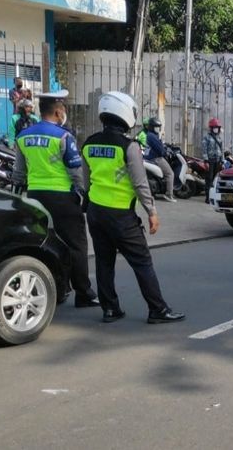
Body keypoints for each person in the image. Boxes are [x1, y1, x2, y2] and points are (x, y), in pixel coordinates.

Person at [82, 91, 184, 324]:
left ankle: (110, 309)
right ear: (125, 114)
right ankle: (157, 309)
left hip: (96, 213)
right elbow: (140, 183)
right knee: (142, 261)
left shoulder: (89, 143)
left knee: (103, 261)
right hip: (121, 216)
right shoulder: (129, 147)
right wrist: (152, 212)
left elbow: (86, 180)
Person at [12, 90, 99, 308]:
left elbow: (19, 172)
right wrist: (80, 193)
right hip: (62, 197)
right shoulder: (63, 136)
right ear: (58, 111)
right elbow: (75, 169)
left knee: (44, 243)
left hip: (35, 197)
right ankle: (84, 293)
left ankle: (54, 290)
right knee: (76, 245)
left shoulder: (23, 136)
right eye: (64, 109)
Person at [143, 117, 177, 203]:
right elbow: (160, 150)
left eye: (159, 127)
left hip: (149, 157)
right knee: (170, 174)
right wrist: (165, 152)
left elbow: (160, 145)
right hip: (156, 158)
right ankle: (169, 195)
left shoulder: (151, 135)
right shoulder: (152, 136)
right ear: (152, 127)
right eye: (156, 127)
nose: (158, 129)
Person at [202, 117, 223, 204]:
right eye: (214, 127)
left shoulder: (219, 138)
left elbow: (221, 150)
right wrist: (206, 161)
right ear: (211, 128)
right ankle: (208, 197)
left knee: (215, 179)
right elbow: (204, 150)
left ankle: (214, 197)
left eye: (217, 128)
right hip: (210, 161)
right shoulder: (206, 137)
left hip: (217, 161)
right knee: (209, 179)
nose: (216, 129)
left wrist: (222, 160)